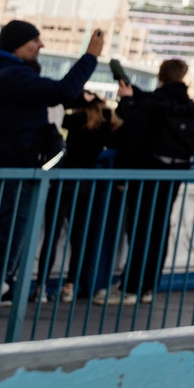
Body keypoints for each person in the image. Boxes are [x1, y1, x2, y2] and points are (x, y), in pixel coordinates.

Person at [0, 22, 105, 347]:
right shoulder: (12, 76)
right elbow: (64, 91)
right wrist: (90, 57)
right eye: (35, 40)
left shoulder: (1, 75)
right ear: (18, 44)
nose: (41, 44)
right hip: (11, 179)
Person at [103, 59, 194, 306]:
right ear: (183, 77)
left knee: (140, 228)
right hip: (175, 173)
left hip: (147, 172)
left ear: (160, 76)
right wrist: (133, 92)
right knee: (160, 227)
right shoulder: (187, 105)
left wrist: (126, 100)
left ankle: (130, 288)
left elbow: (133, 129)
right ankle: (148, 286)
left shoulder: (153, 104)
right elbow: (152, 103)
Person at [51, 92, 119, 303]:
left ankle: (41, 286)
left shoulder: (76, 120)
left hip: (66, 180)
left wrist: (76, 98)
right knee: (79, 235)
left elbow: (57, 116)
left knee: (53, 233)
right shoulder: (104, 123)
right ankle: (71, 284)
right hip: (88, 183)